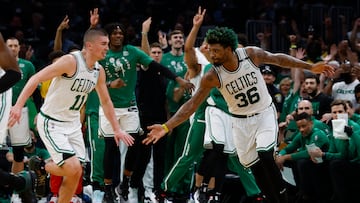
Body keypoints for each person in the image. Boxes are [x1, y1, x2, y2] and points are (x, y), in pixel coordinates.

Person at [143, 26, 335, 203]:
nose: (212, 54)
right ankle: (268, 198)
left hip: (263, 114)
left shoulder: (249, 55)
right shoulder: (212, 75)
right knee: (254, 166)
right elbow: (192, 104)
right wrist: (166, 126)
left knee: (265, 155)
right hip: (240, 122)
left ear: (229, 49)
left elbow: (278, 58)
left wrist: (310, 67)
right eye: (210, 50)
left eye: (216, 50)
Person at [8, 28, 134, 203]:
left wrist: (117, 129)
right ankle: (41, 167)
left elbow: (106, 102)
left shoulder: (98, 71)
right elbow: (35, 78)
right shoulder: (70, 61)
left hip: (72, 123)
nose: (108, 47)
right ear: (89, 46)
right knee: (71, 167)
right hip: (52, 121)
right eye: (104, 44)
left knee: (76, 172)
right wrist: (18, 105)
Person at [308, 99, 360, 203]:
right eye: (334, 112)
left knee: (335, 164)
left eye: (340, 112)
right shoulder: (335, 128)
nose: (337, 115)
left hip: (355, 164)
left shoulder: (354, 127)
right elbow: (332, 151)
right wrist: (319, 155)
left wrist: (324, 154)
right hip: (342, 162)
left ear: (346, 113)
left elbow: (348, 155)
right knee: (317, 163)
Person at [275, 112, 331, 202]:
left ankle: (306, 194)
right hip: (312, 164)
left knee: (302, 162)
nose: (301, 129)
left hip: (324, 164)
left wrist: (285, 157)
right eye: (299, 127)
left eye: (304, 126)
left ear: (311, 123)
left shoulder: (317, 134)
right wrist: (280, 156)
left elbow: (308, 153)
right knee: (286, 162)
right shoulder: (301, 134)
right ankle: (293, 192)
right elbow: (288, 148)